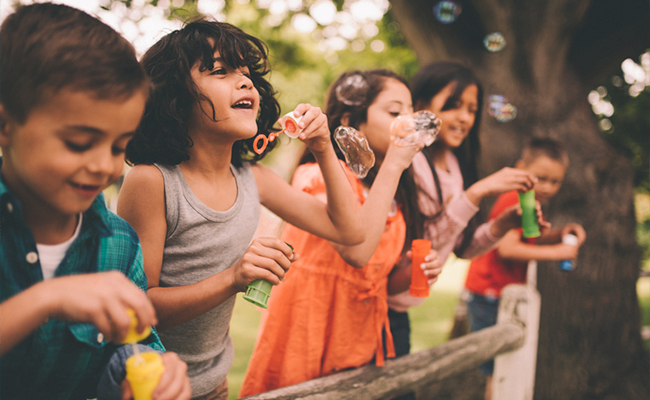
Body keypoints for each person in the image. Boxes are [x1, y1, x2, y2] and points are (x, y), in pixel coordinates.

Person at [116, 20, 365, 399]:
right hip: (151, 386)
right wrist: (234, 278)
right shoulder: (152, 181)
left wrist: (322, 148)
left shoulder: (253, 177)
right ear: (174, 96)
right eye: (220, 71)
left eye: (247, 73)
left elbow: (349, 231)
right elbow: (138, 309)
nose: (245, 82)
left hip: (215, 384)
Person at [0, 3, 190, 399]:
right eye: (79, 143)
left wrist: (153, 370)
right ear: (5, 125)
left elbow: (132, 343)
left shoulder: (119, 243)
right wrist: (46, 299)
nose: (105, 166)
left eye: (119, 147)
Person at [239, 69, 444, 397]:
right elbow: (356, 252)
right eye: (395, 112)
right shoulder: (318, 178)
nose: (408, 122)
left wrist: (413, 272)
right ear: (351, 121)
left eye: (411, 111)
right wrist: (394, 164)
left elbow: (376, 279)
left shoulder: (391, 195)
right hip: (309, 332)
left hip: (360, 340)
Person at [385, 62, 540, 399]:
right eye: (453, 105)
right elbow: (422, 242)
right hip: (380, 304)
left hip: (400, 309)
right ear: (420, 105)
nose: (464, 118)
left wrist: (502, 225)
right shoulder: (410, 162)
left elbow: (461, 247)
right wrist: (476, 194)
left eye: (471, 109)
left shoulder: (457, 166)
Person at [464, 137, 586, 400]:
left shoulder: (530, 199)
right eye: (541, 178)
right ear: (521, 169)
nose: (548, 187)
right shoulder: (514, 198)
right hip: (489, 293)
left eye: (555, 181)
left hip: (501, 293)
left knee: (505, 366)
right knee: (498, 369)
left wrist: (559, 235)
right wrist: (557, 253)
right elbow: (508, 249)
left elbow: (528, 238)